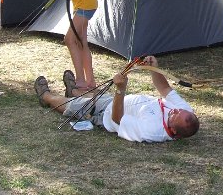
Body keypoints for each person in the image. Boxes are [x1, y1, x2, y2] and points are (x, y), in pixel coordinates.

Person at [34, 56, 200, 143]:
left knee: (71, 106)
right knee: (95, 96)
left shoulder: (152, 131)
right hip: (117, 101)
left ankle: (46, 96)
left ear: (174, 131)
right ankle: (74, 91)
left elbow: (117, 119)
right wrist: (154, 69)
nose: (175, 110)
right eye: (179, 110)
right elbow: (165, 89)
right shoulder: (186, 113)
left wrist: (120, 90)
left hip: (105, 115)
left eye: (174, 115)